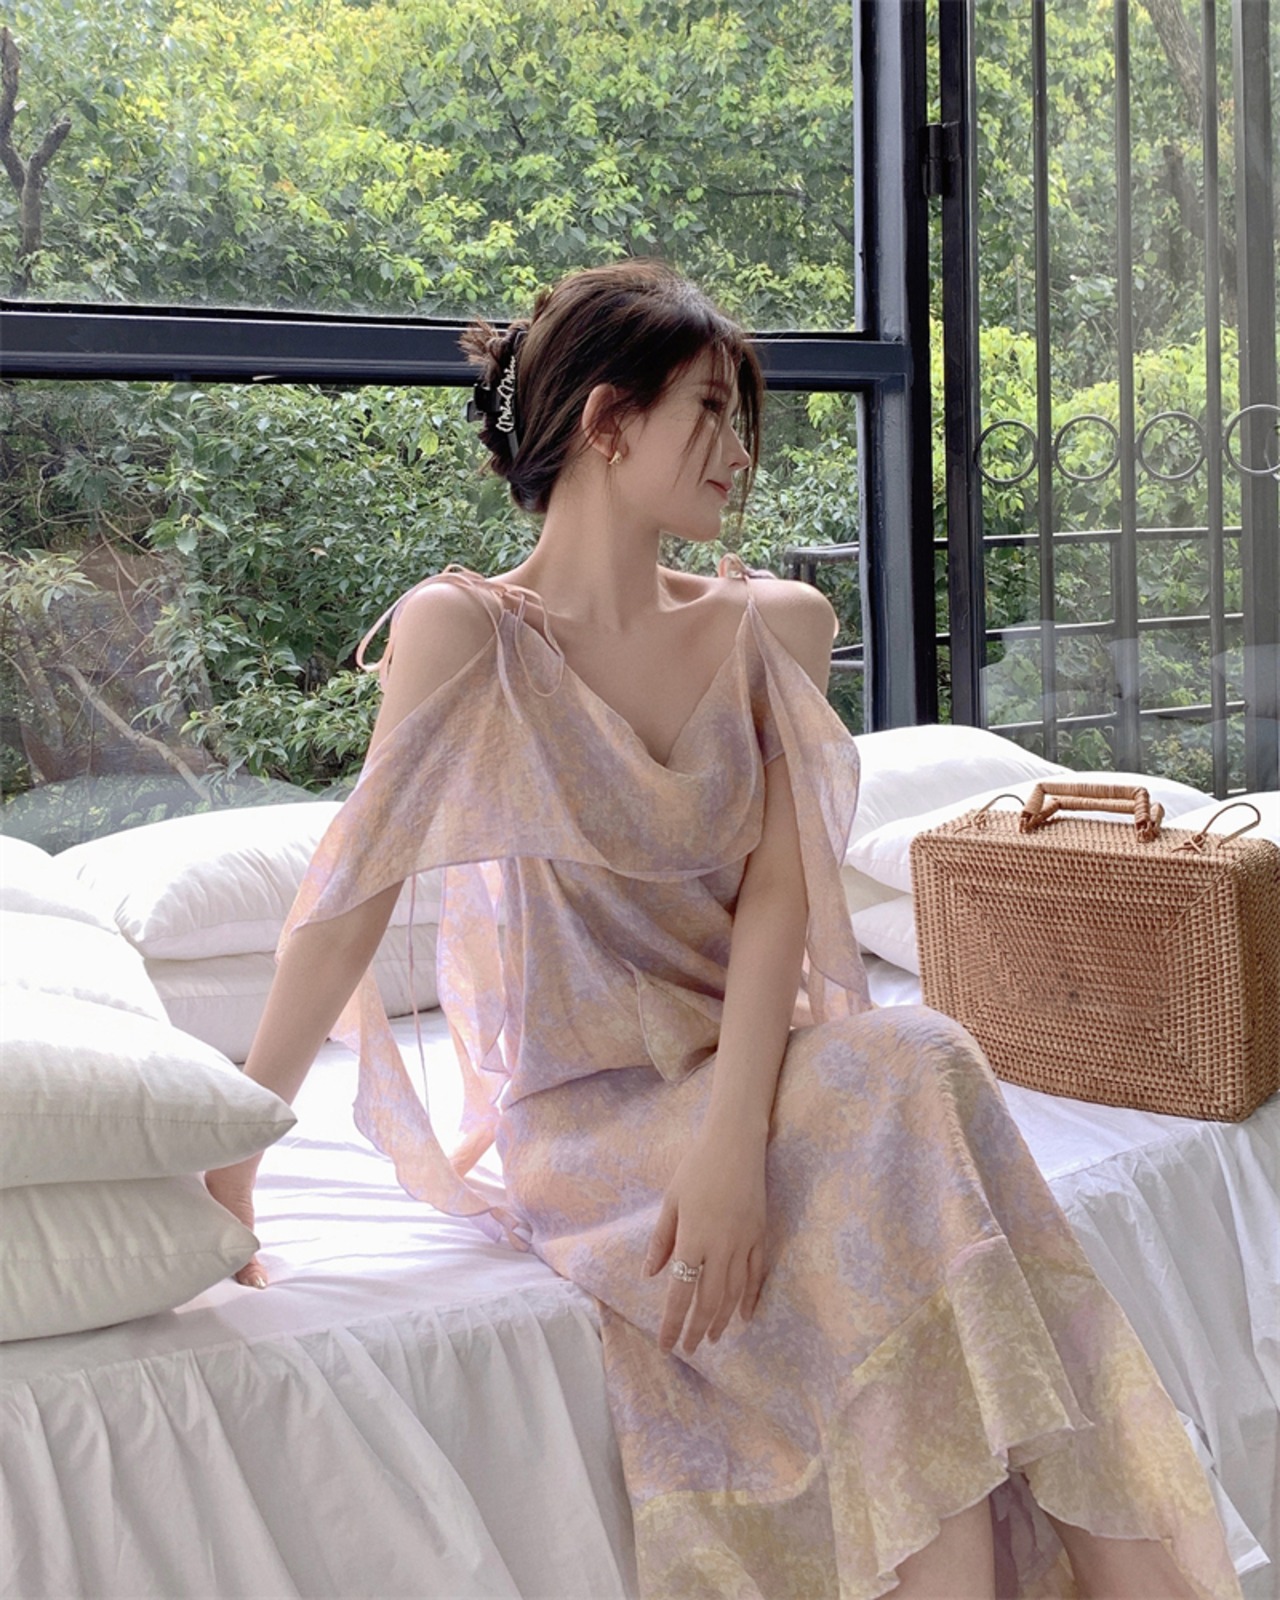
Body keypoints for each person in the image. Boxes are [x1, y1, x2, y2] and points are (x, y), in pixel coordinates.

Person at [207, 260, 1242, 1600]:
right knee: (919, 1088)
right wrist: (240, 1146)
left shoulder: (777, 627)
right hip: (589, 1117)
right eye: (711, 411)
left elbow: (778, 903)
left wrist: (733, 1150)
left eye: (741, 418)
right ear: (606, 421)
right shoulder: (464, 631)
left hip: (757, 1068)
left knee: (917, 1062)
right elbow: (350, 900)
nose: (742, 454)